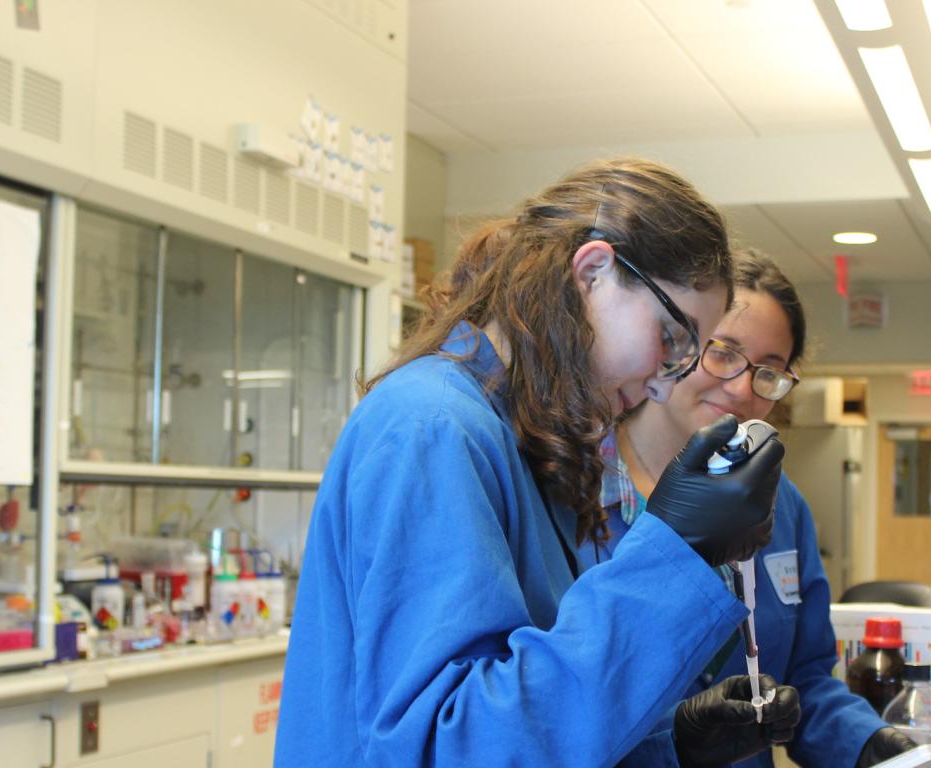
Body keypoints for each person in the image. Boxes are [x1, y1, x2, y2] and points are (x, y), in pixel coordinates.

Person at [275, 158, 792, 766]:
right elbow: (454, 746)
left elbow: (531, 705)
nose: (663, 384)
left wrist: (669, 742)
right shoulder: (434, 427)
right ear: (593, 271)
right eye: (671, 337)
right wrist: (674, 552)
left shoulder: (522, 438)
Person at [587, 249, 919, 768]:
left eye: (770, 370)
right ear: (674, 343)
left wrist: (866, 743)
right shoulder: (579, 489)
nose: (743, 388)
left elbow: (803, 681)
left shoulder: (780, 505)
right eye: (724, 352)